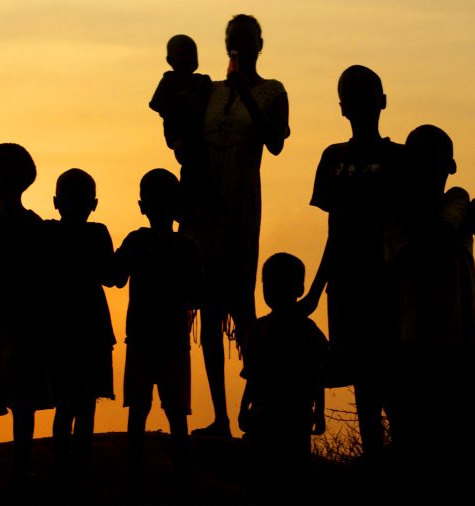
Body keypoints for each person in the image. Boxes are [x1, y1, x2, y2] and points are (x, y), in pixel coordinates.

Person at [188, 14, 290, 436]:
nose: (239, 47)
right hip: (205, 212)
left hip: (242, 208)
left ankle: (260, 410)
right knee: (209, 311)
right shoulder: (210, 92)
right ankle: (221, 417)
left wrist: (246, 94)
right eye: (233, 39)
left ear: (259, 45)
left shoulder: (272, 91)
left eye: (246, 40)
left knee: (242, 308)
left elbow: (276, 142)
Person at [298, 65, 405, 459]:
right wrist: (316, 291)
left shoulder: (400, 158)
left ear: (383, 101)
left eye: (365, 93)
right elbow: (336, 231)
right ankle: (375, 468)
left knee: (394, 383)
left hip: (388, 286)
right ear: (342, 107)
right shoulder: (333, 158)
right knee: (363, 384)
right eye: (350, 95)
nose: (358, 103)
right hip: (347, 287)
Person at [386, 125, 475, 501]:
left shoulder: (454, 205)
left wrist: (458, 218)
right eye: (422, 163)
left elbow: (441, 234)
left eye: (433, 164)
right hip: (417, 348)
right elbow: (433, 243)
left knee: (467, 459)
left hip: (463, 345)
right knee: (421, 459)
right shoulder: (400, 216)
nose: (428, 172)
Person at [111, 168, 203, 495]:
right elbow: (198, 294)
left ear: (142, 206)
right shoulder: (186, 246)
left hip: (142, 338)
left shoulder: (137, 241)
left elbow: (114, 277)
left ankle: (134, 481)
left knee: (139, 410)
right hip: (173, 340)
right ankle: (181, 484)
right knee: (177, 414)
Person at [0, 143, 51, 489]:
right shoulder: (35, 226)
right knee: (17, 401)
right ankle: (16, 471)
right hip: (14, 326)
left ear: (0, 180)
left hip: (1, 325)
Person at [43, 168, 116, 485]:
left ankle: (62, 472)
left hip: (59, 328)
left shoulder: (47, 233)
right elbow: (112, 277)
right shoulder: (98, 233)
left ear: (56, 202)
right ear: (94, 204)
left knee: (64, 406)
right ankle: (78, 473)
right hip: (92, 327)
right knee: (86, 406)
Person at [238, 253, 327, 503]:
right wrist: (244, 407)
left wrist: (320, 411)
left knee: (293, 479)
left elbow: (317, 374)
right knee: (264, 480)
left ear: (298, 289)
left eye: (279, 284)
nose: (274, 290)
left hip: (293, 416)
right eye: (269, 284)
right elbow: (252, 375)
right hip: (267, 416)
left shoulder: (306, 332)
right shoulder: (260, 329)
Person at [149, 34, 212, 228]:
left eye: (192, 54)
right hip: (180, 135)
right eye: (182, 54)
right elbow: (156, 104)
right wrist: (178, 105)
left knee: (200, 172)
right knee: (191, 170)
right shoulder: (169, 81)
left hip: (201, 137)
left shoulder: (202, 81)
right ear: (170, 60)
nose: (188, 58)